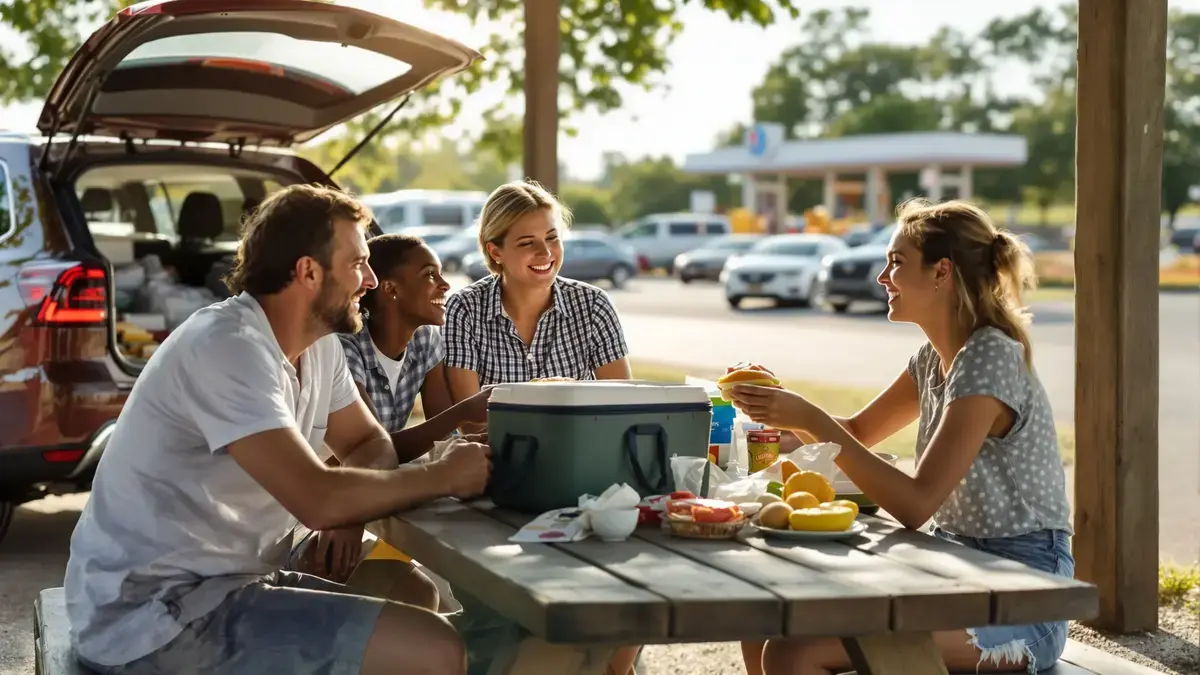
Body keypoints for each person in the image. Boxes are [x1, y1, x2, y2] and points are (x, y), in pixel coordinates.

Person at [64, 184, 492, 675]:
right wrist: (444, 474)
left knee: (415, 590)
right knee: (434, 650)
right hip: (157, 614)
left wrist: (349, 517)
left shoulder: (319, 342)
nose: (371, 280)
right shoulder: (227, 347)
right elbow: (316, 498)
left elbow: (364, 441)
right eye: (357, 263)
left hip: (244, 567)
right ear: (308, 272)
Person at [728, 198, 1074, 675]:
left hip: (1023, 594)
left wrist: (808, 415)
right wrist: (775, 411)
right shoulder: (933, 358)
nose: (882, 277)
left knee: (795, 652)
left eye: (896, 263)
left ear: (942, 272)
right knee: (766, 621)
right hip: (952, 566)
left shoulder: (990, 356)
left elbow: (916, 504)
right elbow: (856, 434)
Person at [440, 180, 640, 675]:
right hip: (495, 489)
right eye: (527, 242)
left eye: (552, 237)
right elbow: (470, 418)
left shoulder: (592, 305)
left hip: (584, 486)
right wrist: (558, 391)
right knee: (509, 625)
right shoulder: (465, 310)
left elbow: (624, 408)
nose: (545, 252)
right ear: (495, 251)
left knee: (620, 619)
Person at [302, 232, 491, 608]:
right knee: (435, 596)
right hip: (331, 507)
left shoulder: (426, 341)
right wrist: (465, 411)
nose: (444, 284)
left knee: (449, 595)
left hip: (372, 498)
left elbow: (442, 435)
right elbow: (377, 444)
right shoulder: (344, 348)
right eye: (429, 275)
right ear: (389, 289)